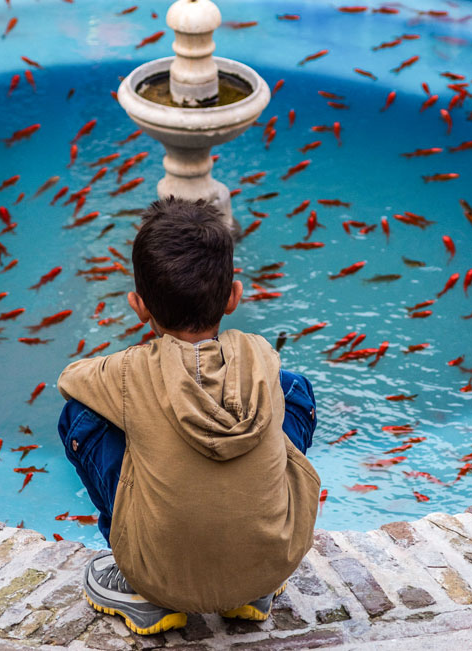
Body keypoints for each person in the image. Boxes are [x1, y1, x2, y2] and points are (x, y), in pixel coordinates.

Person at [57, 197, 321, 635]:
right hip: (271, 564)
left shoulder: (127, 373)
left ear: (139, 305)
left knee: (81, 414)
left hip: (159, 577)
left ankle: (139, 587)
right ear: (234, 295)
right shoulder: (260, 354)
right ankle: (249, 584)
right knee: (294, 390)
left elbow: (70, 379)